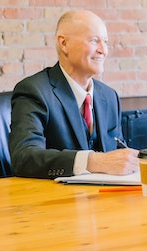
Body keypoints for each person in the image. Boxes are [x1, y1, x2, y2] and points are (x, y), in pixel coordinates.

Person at [9, 10, 139, 179]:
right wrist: (92, 161)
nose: (103, 50)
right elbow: (23, 158)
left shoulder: (109, 96)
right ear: (64, 44)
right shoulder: (33, 91)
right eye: (94, 41)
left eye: (105, 42)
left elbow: (117, 154)